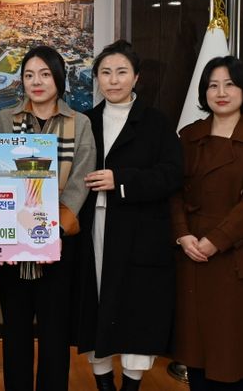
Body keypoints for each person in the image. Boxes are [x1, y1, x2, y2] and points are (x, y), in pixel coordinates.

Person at [77, 40, 183, 391]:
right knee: (95, 303)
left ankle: (132, 385)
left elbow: (171, 175)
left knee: (137, 308)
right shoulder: (85, 121)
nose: (113, 80)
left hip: (140, 231)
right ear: (97, 78)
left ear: (136, 77)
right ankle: (103, 383)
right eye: (105, 72)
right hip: (92, 227)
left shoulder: (156, 122)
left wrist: (121, 180)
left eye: (122, 72)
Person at [0, 46, 96, 391]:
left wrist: (51, 231)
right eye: (28, 75)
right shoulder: (5, 120)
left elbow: (81, 180)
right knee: (15, 332)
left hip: (59, 245)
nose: (36, 82)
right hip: (13, 246)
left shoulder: (79, 122)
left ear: (58, 78)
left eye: (45, 74)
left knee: (55, 334)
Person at [171, 56, 243, 391]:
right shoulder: (189, 136)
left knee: (234, 351)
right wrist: (183, 234)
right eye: (213, 85)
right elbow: (174, 191)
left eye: (229, 84)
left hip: (237, 253)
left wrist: (216, 240)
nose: (221, 92)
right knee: (197, 351)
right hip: (192, 253)